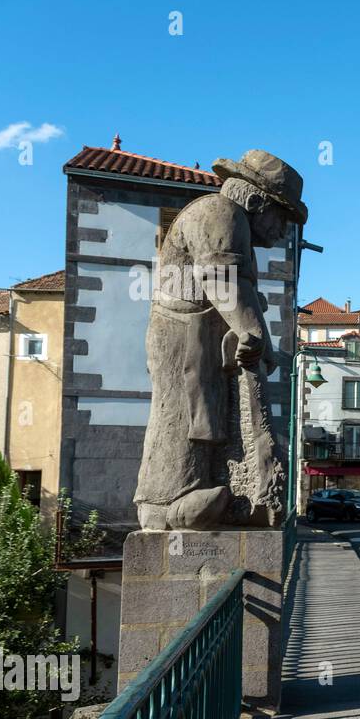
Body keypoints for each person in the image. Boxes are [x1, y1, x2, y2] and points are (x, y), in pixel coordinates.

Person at [134, 150, 308, 531]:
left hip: (204, 333)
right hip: (183, 333)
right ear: (258, 201)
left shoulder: (234, 222)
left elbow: (240, 293)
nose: (284, 232)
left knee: (209, 415)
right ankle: (163, 503)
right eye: (283, 218)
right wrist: (253, 334)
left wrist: (259, 340)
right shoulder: (219, 211)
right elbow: (222, 281)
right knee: (180, 412)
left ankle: (203, 487)